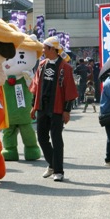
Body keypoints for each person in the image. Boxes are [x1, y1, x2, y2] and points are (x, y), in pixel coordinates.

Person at [29, 36, 79, 182]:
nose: (43, 50)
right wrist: (33, 107)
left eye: (45, 48)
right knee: (42, 138)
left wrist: (67, 111)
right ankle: (52, 164)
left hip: (57, 108)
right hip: (42, 107)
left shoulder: (65, 67)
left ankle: (58, 170)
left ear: (52, 49)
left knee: (56, 139)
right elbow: (36, 87)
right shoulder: (42, 64)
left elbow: (70, 91)